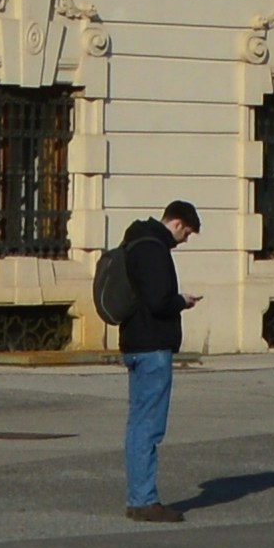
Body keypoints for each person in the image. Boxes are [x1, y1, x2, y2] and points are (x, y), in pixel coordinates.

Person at [101, 196, 197, 520]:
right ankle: (144, 499)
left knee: (138, 423)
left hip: (134, 343)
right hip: (152, 347)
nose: (184, 242)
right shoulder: (154, 249)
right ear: (178, 224)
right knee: (148, 427)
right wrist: (181, 301)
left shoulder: (134, 242)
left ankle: (138, 497)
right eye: (187, 234)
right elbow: (158, 302)